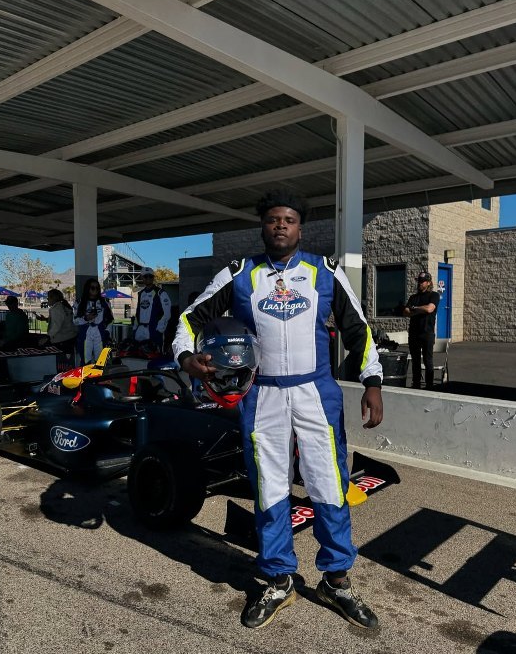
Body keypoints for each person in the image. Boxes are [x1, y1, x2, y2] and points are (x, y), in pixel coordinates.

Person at [173, 190, 384, 630]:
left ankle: (337, 581)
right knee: (270, 488)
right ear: (263, 227)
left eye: (289, 219)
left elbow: (358, 328)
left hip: (315, 393)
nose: (280, 226)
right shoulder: (239, 273)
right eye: (273, 220)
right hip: (262, 394)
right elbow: (190, 317)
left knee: (329, 486)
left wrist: (373, 382)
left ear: (300, 228)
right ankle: (278, 579)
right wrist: (185, 357)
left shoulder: (324, 271)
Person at [403, 271, 440, 390]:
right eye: (419, 281)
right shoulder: (413, 297)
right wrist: (419, 310)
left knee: (428, 360)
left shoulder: (434, 295)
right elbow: (406, 312)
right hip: (414, 333)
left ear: (428, 282)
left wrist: (414, 308)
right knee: (415, 361)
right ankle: (416, 384)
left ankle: (429, 386)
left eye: (422, 281)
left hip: (427, 333)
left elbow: (429, 309)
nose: (420, 283)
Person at [73, 278, 114, 364]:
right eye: (92, 288)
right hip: (85, 334)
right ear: (87, 288)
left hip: (100, 333)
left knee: (100, 362)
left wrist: (107, 332)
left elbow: (110, 319)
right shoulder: (79, 302)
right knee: (85, 361)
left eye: (97, 288)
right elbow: (75, 320)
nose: (95, 290)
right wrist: (85, 318)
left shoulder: (105, 302)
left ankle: (99, 373)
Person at [133, 267, 171, 351]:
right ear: (142, 278)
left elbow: (167, 314)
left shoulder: (161, 293)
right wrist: (135, 329)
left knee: (155, 354)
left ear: (153, 277)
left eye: (150, 276)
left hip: (154, 330)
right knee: (139, 354)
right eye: (145, 276)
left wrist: (159, 330)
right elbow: (138, 313)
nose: (148, 278)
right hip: (140, 330)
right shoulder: (141, 293)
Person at [36, 289, 78, 356]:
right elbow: (61, 320)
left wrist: (47, 337)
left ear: (53, 298)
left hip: (62, 339)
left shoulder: (56, 309)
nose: (47, 299)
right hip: (70, 337)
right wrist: (45, 319)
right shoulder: (63, 306)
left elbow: (56, 326)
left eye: (48, 297)